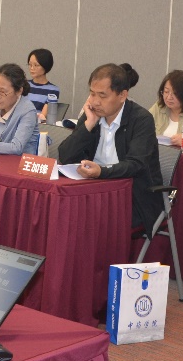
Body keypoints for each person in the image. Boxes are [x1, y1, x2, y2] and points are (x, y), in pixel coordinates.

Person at [57, 63, 162, 234]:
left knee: (81, 220)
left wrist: (101, 172)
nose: (95, 101)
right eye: (92, 94)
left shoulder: (141, 119)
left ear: (122, 95)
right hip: (93, 191)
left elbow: (135, 164)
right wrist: (88, 124)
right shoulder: (93, 115)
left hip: (131, 197)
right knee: (60, 210)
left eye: (102, 95)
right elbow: (65, 155)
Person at [26, 49, 61, 120]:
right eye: (30, 64)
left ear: (45, 66)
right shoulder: (24, 85)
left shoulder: (53, 90)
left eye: (36, 65)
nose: (32, 68)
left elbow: (42, 116)